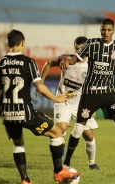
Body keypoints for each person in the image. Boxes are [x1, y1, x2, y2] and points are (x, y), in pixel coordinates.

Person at [0, 29, 80, 184]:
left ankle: (25, 180)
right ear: (22, 43)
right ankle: (59, 172)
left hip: (8, 114)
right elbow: (40, 87)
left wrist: (3, 112)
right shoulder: (28, 62)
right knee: (57, 133)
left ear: (8, 44)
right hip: (26, 113)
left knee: (18, 143)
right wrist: (57, 99)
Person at [60, 18, 115, 174]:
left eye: (108, 30)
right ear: (100, 30)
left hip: (109, 93)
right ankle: (65, 164)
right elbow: (74, 59)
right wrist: (67, 61)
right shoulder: (91, 44)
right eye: (103, 29)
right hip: (90, 93)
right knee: (78, 128)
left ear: (113, 31)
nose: (105, 32)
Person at [41, 36, 100, 170]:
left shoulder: (92, 65)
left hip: (82, 102)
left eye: (82, 49)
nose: (79, 51)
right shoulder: (65, 59)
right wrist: (41, 82)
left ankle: (92, 163)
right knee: (60, 128)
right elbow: (49, 63)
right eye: (77, 49)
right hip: (64, 101)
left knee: (88, 134)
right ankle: (60, 154)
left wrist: (93, 106)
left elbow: (94, 86)